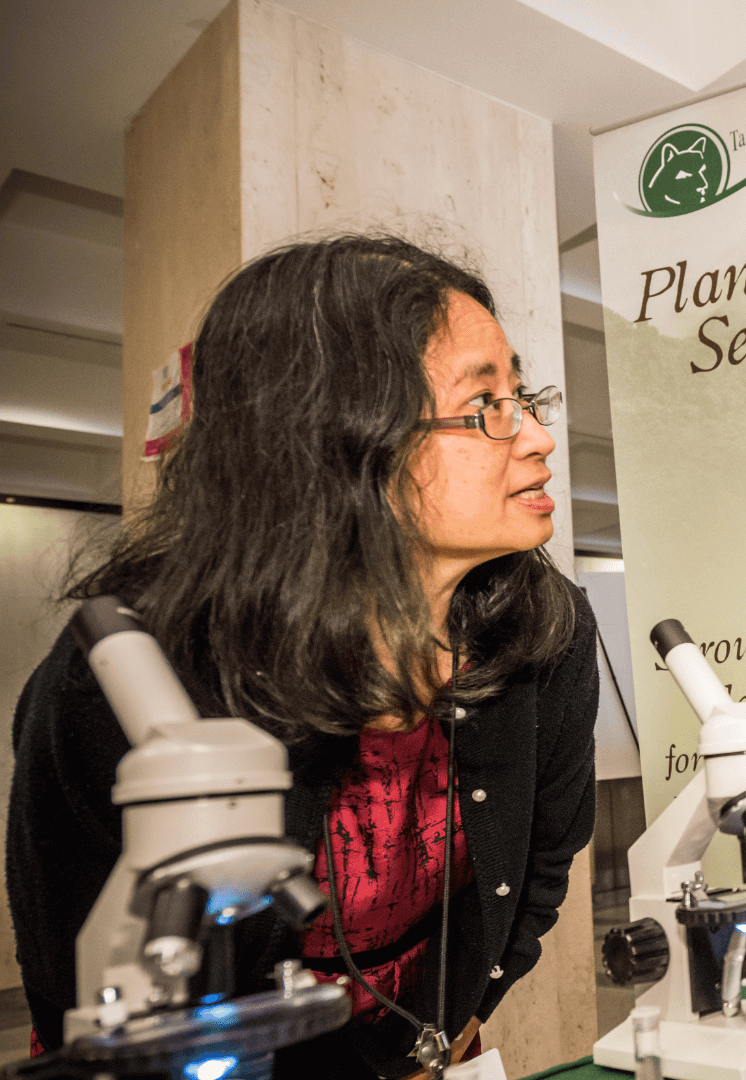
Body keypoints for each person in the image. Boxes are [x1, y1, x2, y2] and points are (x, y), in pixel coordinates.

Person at [7, 236, 599, 1078]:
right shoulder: (124, 683)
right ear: (338, 438)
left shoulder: (544, 631)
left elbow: (534, 874)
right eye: (487, 406)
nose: (538, 437)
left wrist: (439, 1033)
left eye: (524, 396)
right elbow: (82, 984)